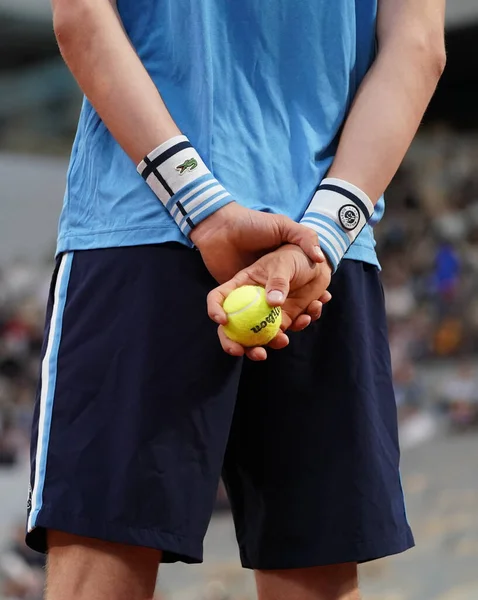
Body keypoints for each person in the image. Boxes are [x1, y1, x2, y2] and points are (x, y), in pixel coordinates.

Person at [26, 0, 446, 598]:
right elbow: (419, 47)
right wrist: (319, 239)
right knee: (316, 579)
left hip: (143, 223)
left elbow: (82, 19)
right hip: (324, 245)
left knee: (99, 566)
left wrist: (203, 211)